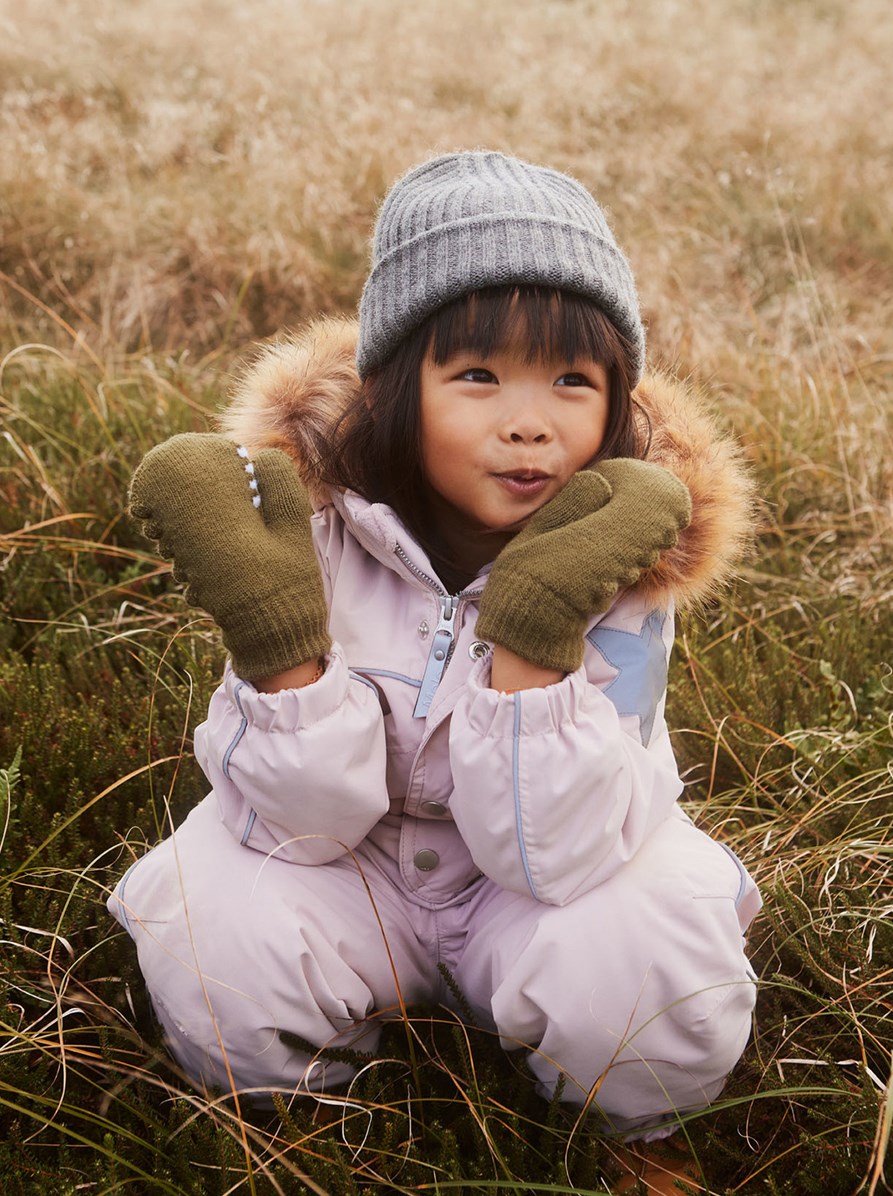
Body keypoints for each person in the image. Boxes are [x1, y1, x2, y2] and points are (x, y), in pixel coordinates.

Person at [109, 151, 761, 1191]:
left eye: (571, 380)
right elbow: (299, 830)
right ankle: (285, 1113)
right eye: (477, 376)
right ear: (393, 391)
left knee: (646, 940)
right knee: (217, 915)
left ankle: (641, 1130)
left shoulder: (622, 559)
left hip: (536, 888)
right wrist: (279, 647)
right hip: (354, 869)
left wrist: (536, 639)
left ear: (614, 403)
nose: (528, 420)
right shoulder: (311, 535)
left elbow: (563, 855)